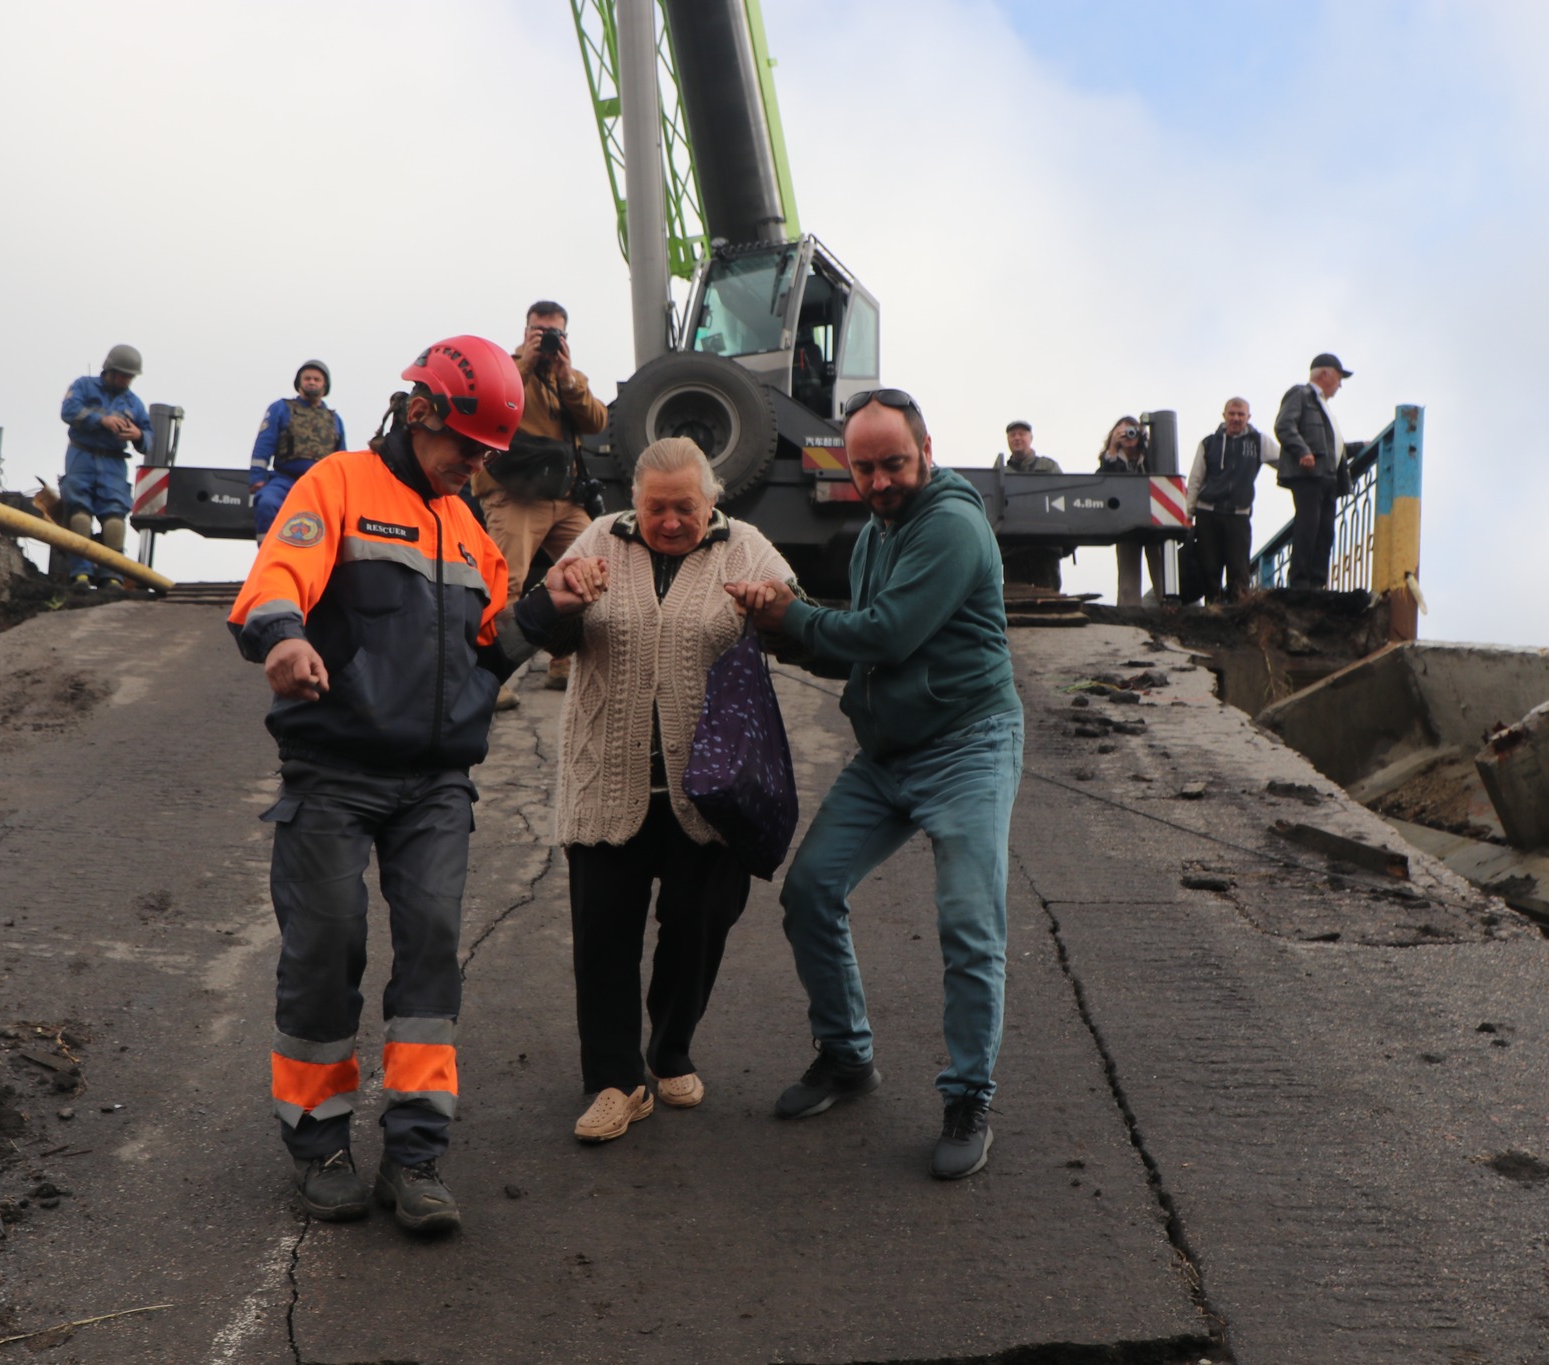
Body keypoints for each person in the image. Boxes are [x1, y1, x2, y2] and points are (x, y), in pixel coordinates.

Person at [226, 335, 602, 1236]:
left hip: (436, 784)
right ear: (422, 412)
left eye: (486, 453)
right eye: (466, 445)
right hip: (334, 772)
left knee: (430, 951)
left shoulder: (472, 530)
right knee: (329, 948)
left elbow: (490, 653)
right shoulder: (339, 486)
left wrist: (551, 605)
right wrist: (284, 637)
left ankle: (417, 1157)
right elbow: (277, 576)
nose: (475, 464)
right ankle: (318, 1145)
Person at [727, 388, 1024, 1182]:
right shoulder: (874, 535)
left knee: (969, 923)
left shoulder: (952, 526)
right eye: (864, 467)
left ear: (926, 450)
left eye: (894, 462)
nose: (881, 479)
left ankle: (968, 1094)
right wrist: (777, 626)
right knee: (811, 890)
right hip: (889, 752)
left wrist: (791, 616)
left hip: (968, 745)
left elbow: (887, 632)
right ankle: (848, 1056)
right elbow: (861, 647)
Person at [542, 437, 795, 1144]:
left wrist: (772, 606)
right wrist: (566, 600)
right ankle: (616, 1081)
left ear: (711, 501)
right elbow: (548, 622)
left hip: (710, 789)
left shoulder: (743, 546)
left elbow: (792, 615)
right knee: (603, 937)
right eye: (657, 507)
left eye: (686, 506)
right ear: (635, 501)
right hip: (607, 776)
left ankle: (670, 1046)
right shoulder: (599, 538)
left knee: (699, 922)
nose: (672, 520)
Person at [478, 301, 609, 709]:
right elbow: (485, 399)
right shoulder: (505, 368)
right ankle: (487, 676)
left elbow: (596, 421)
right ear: (526, 330)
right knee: (504, 584)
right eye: (540, 331)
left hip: (564, 498)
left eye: (556, 333)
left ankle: (563, 662)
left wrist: (567, 378)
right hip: (515, 494)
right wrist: (526, 362)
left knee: (593, 567)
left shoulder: (568, 377)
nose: (548, 338)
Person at [58, 344, 150, 589]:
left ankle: (112, 576)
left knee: (114, 519)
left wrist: (138, 434)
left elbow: (149, 438)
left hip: (114, 463)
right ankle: (81, 574)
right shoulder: (84, 386)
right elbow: (68, 410)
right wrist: (101, 420)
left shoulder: (134, 403)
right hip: (82, 456)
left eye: (129, 376)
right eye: (121, 374)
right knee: (79, 515)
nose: (125, 380)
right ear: (108, 369)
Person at [1274, 353, 1355, 590]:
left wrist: (1360, 447)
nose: (1339, 385)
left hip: (1328, 476)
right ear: (1325, 374)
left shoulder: (1323, 406)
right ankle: (1300, 582)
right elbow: (1284, 425)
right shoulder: (1301, 395)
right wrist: (1302, 451)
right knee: (1308, 526)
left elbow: (1333, 446)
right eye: (1338, 379)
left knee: (1325, 531)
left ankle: (1317, 583)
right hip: (1309, 475)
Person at [1184, 398, 1274, 603]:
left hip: (1238, 514)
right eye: (1232, 413)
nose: (1236, 418)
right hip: (1208, 512)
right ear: (1224, 415)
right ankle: (1212, 612)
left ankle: (1238, 614)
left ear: (1248, 417)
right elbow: (1195, 480)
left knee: (1239, 569)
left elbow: (1285, 461)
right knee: (1210, 569)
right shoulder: (1209, 443)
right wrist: (1187, 515)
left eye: (1240, 414)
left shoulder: (1258, 441)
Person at [249, 359, 348, 541]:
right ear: (299, 383)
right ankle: (268, 554)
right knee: (267, 504)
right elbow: (264, 443)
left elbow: (341, 459)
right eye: (307, 378)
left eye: (317, 379)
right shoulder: (281, 408)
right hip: (284, 480)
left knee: (340, 521)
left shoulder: (334, 420)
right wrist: (257, 478)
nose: (312, 382)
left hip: (320, 485)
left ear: (324, 385)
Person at [1097, 416, 1167, 606]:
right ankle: (1129, 617)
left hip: (1154, 521)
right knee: (1128, 580)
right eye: (1123, 433)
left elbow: (1163, 477)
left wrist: (1147, 443)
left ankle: (1169, 611)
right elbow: (1102, 483)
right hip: (1125, 523)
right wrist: (1112, 449)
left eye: (1132, 431)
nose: (1129, 436)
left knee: (1162, 574)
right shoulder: (1111, 460)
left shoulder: (1151, 456)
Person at [1000, 420, 1065, 589]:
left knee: (1050, 601)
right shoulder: (1000, 473)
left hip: (1045, 549)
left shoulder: (1049, 466)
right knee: (1015, 605)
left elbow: (1065, 500)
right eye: (1012, 435)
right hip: (1012, 551)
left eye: (1022, 434)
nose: (1017, 438)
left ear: (1031, 438)